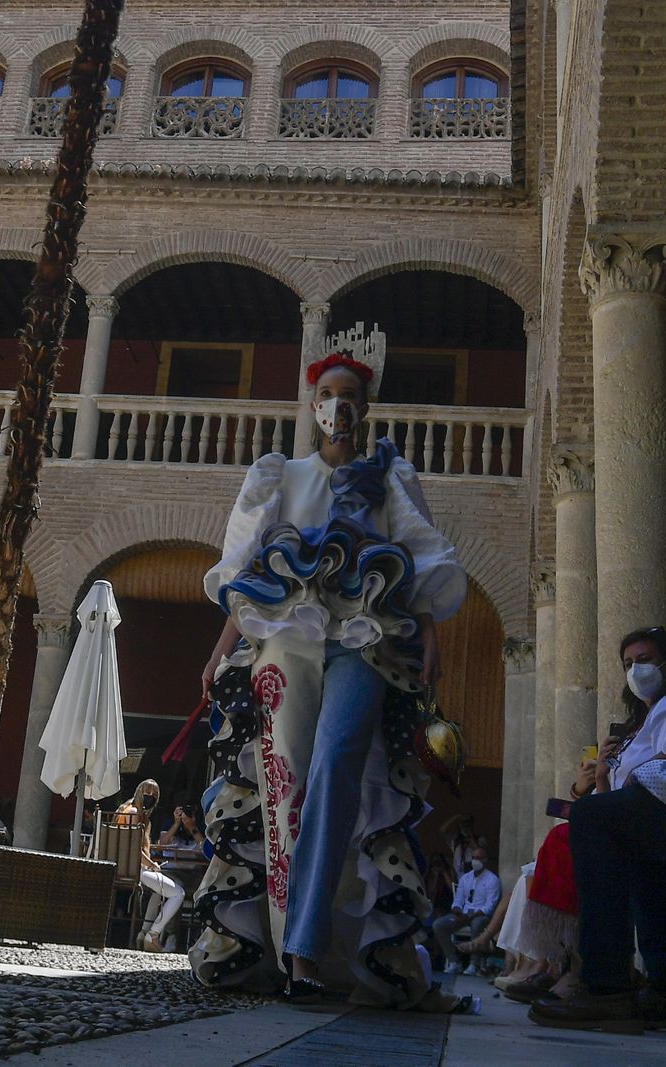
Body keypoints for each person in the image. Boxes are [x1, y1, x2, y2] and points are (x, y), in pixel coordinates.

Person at [190, 347, 468, 1010]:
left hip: (366, 642)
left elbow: (417, 555)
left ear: (364, 407)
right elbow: (246, 570)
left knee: (339, 765)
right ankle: (289, 949)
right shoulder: (280, 475)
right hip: (285, 640)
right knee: (282, 781)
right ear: (313, 406)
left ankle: (308, 948)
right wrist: (220, 650)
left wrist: (429, 635)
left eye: (350, 395)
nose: (338, 406)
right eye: (327, 395)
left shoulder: (389, 476)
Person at [530, 622, 666, 1033]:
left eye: (645, 659)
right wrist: (601, 776)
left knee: (590, 818)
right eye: (628, 663)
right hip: (657, 812)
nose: (636, 670)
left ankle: (604, 985)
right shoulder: (640, 722)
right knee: (633, 855)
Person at [115, 778, 185, 953]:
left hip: (126, 866)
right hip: (133, 868)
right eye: (147, 792)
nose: (150, 796)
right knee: (178, 893)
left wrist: (150, 862)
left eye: (154, 795)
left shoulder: (129, 811)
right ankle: (153, 935)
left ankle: (144, 932)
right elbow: (132, 848)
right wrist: (152, 864)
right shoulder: (134, 813)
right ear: (139, 792)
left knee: (159, 891)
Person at [431, 845, 500, 974]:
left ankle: (474, 964)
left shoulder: (492, 880)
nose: (475, 861)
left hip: (480, 915)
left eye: (478, 858)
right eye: (473, 858)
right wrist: (457, 910)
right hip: (464, 914)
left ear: (485, 860)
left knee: (477, 924)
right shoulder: (465, 878)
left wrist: (471, 916)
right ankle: (454, 961)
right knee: (438, 925)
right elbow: (458, 900)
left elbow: (490, 906)